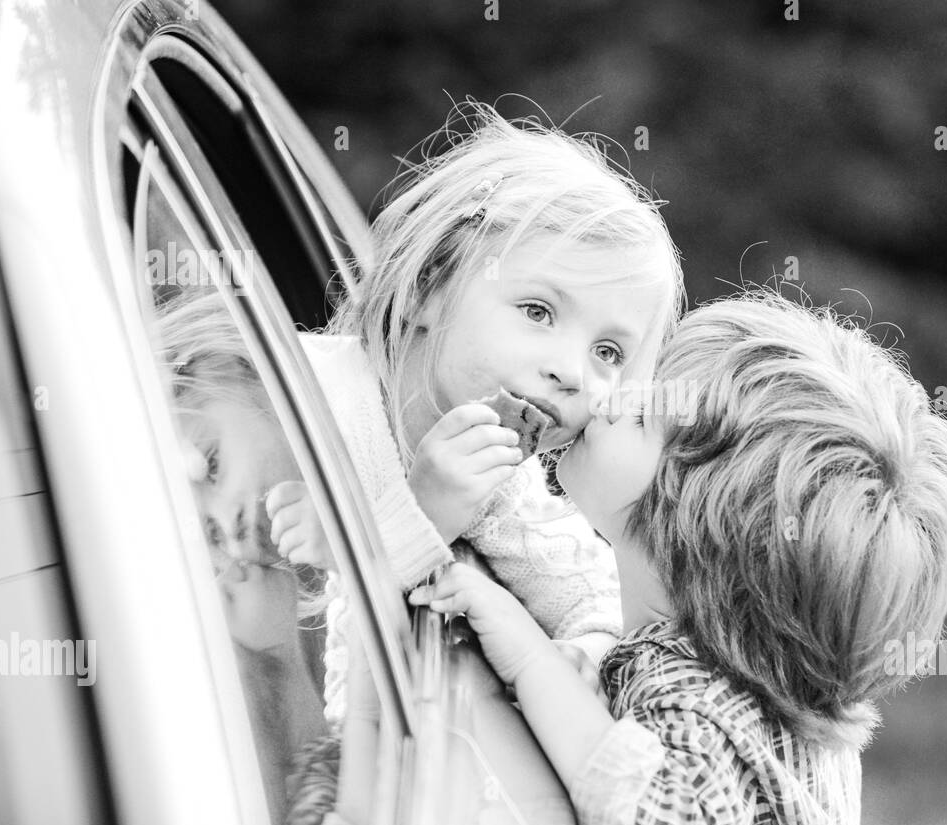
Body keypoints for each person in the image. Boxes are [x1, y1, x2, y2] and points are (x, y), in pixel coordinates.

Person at [415, 290, 947, 825]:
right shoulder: (762, 700)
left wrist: (531, 662)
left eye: (643, 417)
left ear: (697, 528)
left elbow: (656, 816)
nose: (612, 396)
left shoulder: (693, 697)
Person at [284, 102, 685, 726]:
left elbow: (598, 600)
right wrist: (424, 513)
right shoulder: (301, 392)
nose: (572, 371)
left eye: (608, 352)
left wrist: (582, 656)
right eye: (537, 311)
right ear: (427, 286)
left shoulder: (505, 493)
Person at [155, 291, 328, 825]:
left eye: (210, 464)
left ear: (227, 365)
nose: (228, 530)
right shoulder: (291, 612)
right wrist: (280, 658)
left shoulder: (396, 440)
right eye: (207, 536)